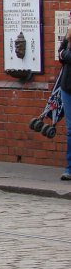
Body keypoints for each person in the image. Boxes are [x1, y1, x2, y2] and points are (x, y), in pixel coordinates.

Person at [58, 26, 71, 181]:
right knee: (70, 130)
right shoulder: (68, 38)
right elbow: (60, 55)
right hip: (67, 88)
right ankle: (69, 168)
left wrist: (64, 53)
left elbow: (65, 56)